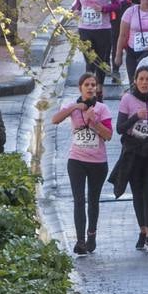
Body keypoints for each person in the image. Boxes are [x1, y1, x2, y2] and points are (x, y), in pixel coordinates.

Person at [51, 72, 113, 256]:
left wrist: (94, 122)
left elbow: (108, 136)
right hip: (76, 160)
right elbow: (55, 120)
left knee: (93, 201)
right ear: (80, 88)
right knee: (79, 200)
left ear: (97, 88)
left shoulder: (102, 109)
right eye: (87, 84)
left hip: (98, 162)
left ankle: (91, 235)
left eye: (93, 84)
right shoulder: (73, 107)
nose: (90, 87)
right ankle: (80, 241)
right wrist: (74, 108)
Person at [108, 66, 148, 252]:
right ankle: (142, 231)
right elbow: (120, 128)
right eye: (141, 79)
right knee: (137, 193)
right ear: (135, 80)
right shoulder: (128, 99)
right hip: (133, 152)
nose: (144, 83)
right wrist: (136, 117)